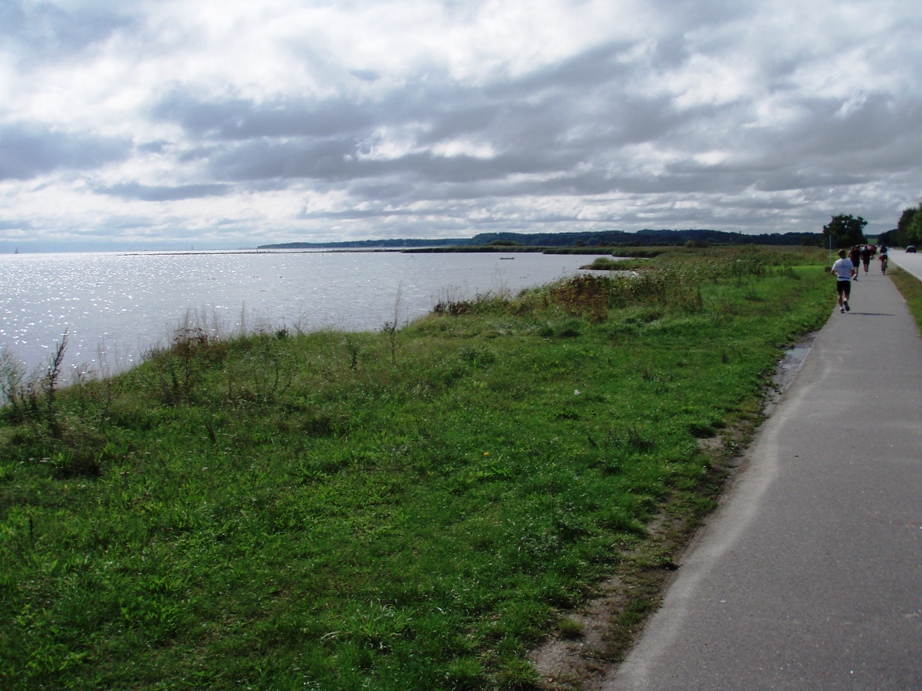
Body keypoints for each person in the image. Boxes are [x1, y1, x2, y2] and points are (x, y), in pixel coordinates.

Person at [831, 248, 855, 313]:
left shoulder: (837, 262)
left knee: (839, 294)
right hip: (847, 279)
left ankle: (841, 307)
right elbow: (853, 271)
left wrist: (837, 274)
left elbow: (832, 272)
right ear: (845, 254)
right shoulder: (849, 262)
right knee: (847, 294)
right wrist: (850, 275)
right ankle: (845, 300)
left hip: (839, 279)